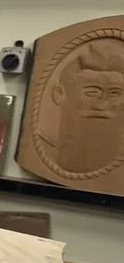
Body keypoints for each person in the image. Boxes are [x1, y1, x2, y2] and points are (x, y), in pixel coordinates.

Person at [50, 41, 124, 173]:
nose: (102, 106)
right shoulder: (45, 149)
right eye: (91, 93)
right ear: (59, 94)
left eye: (114, 94)